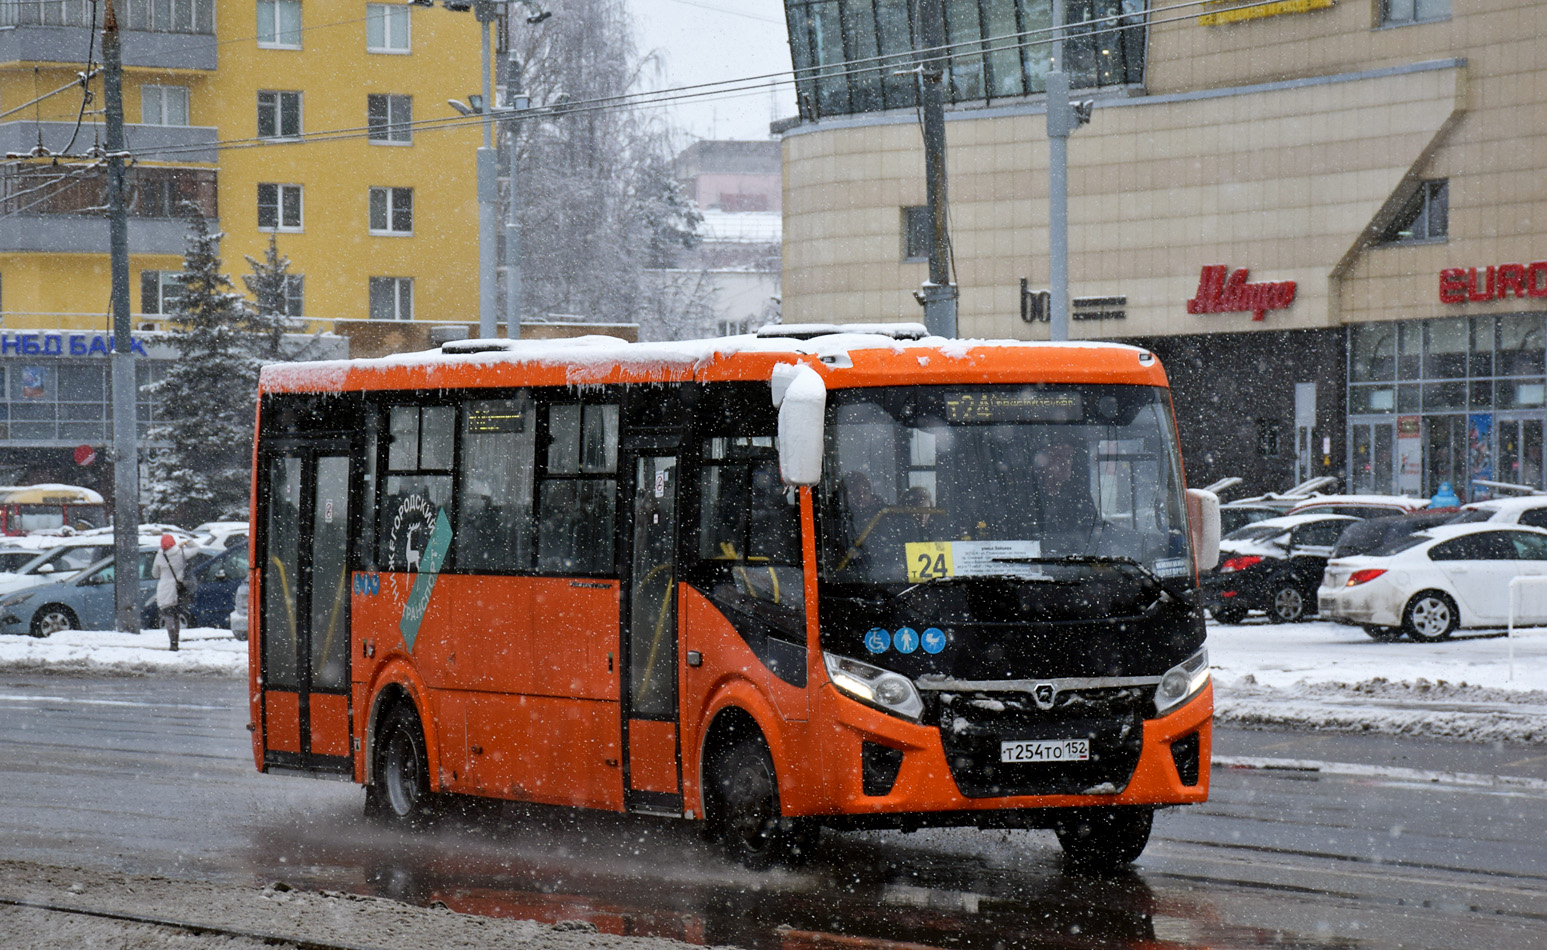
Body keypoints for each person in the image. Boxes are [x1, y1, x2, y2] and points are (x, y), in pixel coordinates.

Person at [152, 533, 188, 652]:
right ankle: (176, 640)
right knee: (176, 615)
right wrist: (187, 542)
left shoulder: (160, 556)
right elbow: (196, 548)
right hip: (178, 588)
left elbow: (155, 574)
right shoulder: (180, 553)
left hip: (165, 589)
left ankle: (172, 642)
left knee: (168, 616)